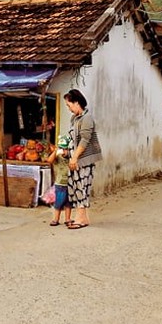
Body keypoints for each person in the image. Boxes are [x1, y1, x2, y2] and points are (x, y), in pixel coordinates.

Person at [63, 89, 102, 230]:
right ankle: (82, 218)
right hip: (74, 157)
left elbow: (85, 140)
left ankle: (80, 218)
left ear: (77, 102)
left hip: (83, 159)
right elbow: (73, 138)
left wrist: (74, 157)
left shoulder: (87, 118)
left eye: (69, 105)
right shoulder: (75, 119)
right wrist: (67, 151)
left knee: (82, 186)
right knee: (74, 186)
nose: (69, 108)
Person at [46, 135, 72, 227]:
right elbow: (49, 160)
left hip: (70, 183)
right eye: (62, 148)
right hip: (60, 183)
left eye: (65, 148)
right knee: (59, 202)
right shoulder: (57, 158)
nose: (63, 151)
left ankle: (67, 219)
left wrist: (68, 153)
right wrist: (55, 151)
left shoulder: (70, 157)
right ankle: (56, 219)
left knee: (68, 202)